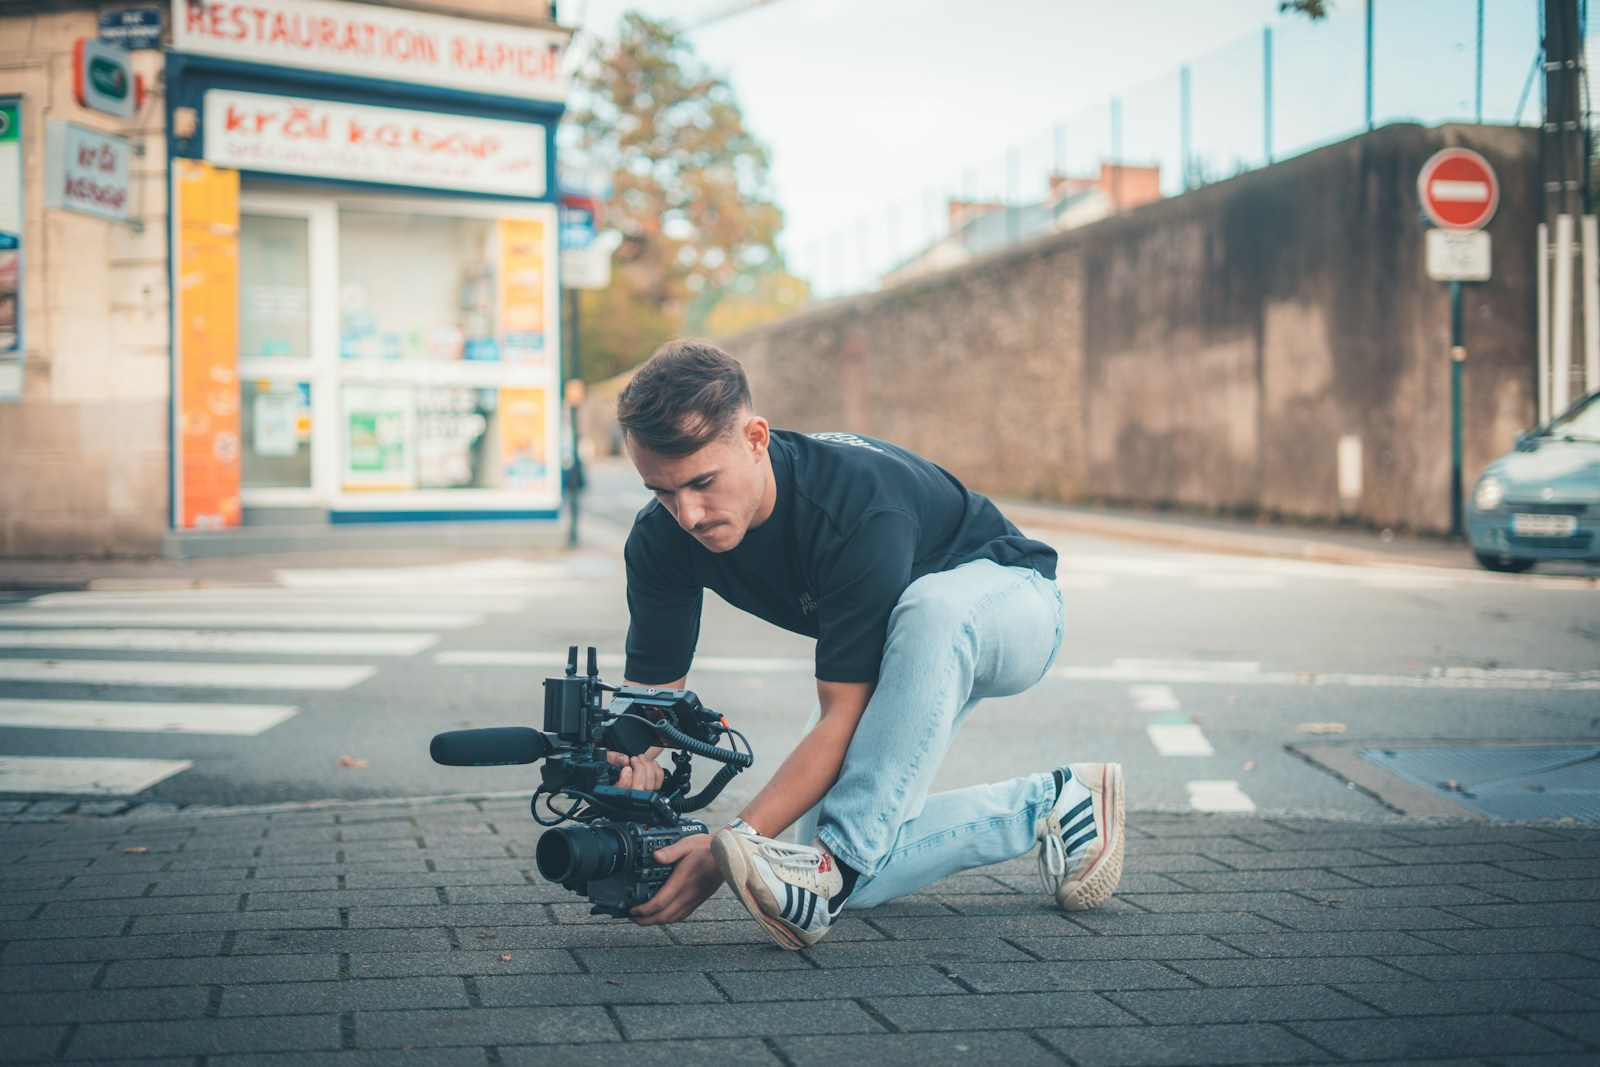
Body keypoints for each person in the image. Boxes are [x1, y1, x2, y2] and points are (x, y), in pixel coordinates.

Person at [607, 339, 1124, 950]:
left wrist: (730, 846)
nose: (688, 515)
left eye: (702, 483)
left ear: (755, 438)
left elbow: (842, 713)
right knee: (822, 855)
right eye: (662, 491)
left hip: (1010, 606)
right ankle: (1055, 804)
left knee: (929, 609)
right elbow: (652, 703)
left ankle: (829, 879)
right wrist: (625, 771)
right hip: (901, 650)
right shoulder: (661, 538)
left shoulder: (854, 505)